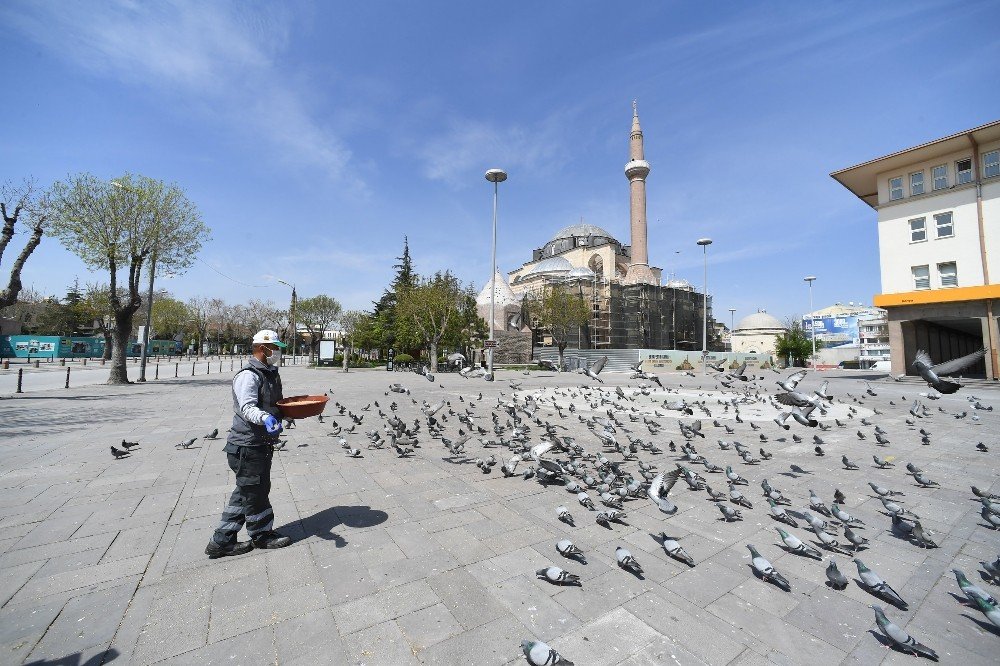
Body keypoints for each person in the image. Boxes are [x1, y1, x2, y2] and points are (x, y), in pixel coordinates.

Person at [206, 329, 293, 558]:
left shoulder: (270, 372)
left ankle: (222, 540)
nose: (278, 353)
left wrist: (286, 412)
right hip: (247, 445)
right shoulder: (249, 375)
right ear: (263, 349)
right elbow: (247, 408)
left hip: (260, 443)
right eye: (275, 348)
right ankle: (261, 535)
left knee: (248, 490)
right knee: (255, 492)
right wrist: (266, 418)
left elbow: (273, 402)